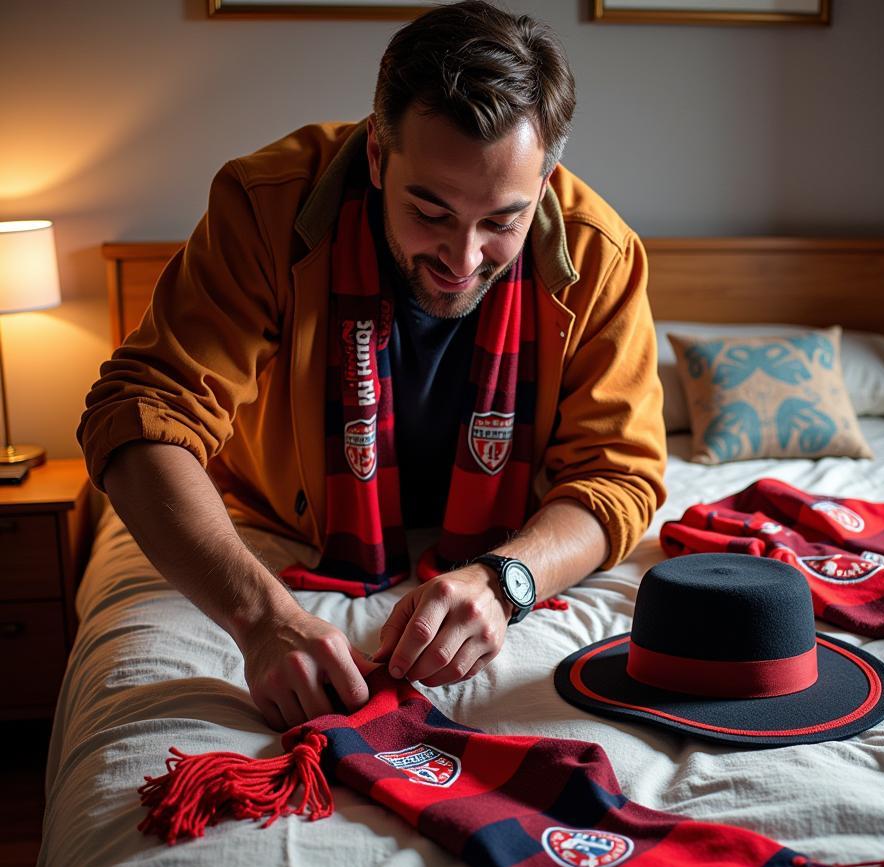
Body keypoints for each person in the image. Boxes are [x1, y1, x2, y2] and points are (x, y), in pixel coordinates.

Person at [78, 0, 666, 731]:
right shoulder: (264, 207)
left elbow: (618, 474)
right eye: (430, 211)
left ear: (545, 184)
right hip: (286, 534)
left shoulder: (603, 256)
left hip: (503, 530)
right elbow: (139, 414)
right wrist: (261, 618)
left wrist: (506, 580)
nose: (462, 259)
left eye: (500, 222)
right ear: (378, 157)